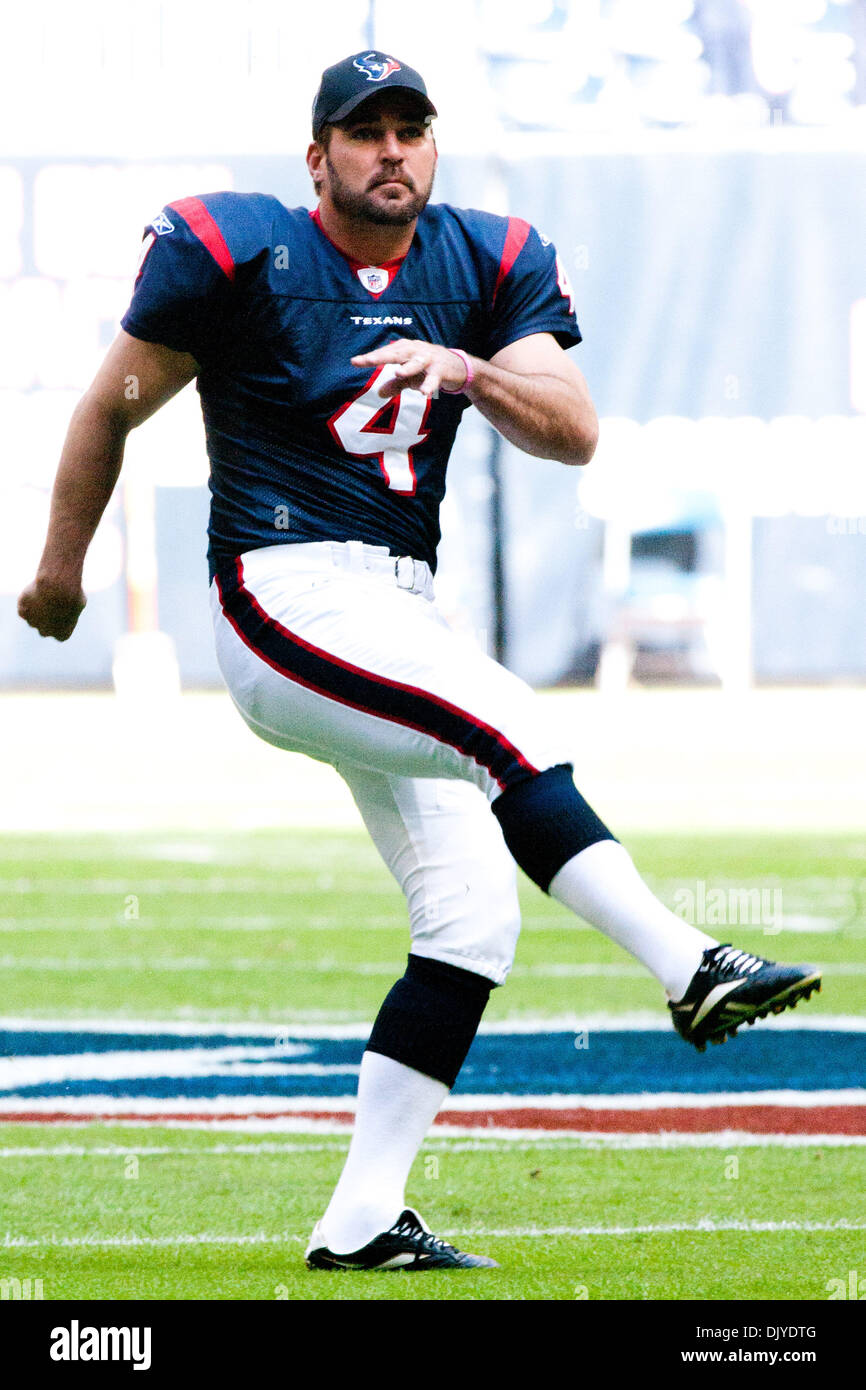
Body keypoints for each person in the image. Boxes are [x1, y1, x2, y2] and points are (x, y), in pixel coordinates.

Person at [18, 51, 821, 1273]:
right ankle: (685, 963)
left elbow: (573, 431)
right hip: (279, 591)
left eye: (410, 130)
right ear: (317, 156)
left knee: (471, 918)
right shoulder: (240, 252)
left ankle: (359, 1219)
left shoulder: (482, 261)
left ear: (432, 145)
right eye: (364, 132)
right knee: (504, 722)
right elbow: (108, 405)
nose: (391, 151)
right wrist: (61, 567)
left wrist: (469, 368)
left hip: (400, 606)